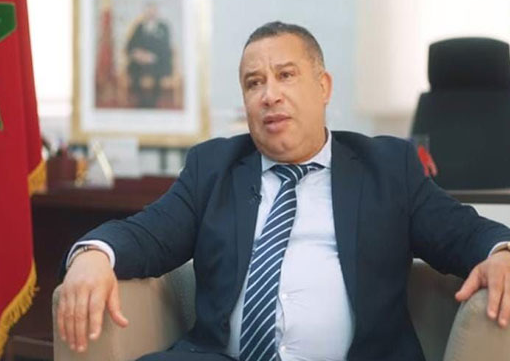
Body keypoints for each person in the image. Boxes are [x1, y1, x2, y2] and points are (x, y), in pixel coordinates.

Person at [57, 22, 510, 361]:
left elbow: (462, 232)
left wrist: (501, 253)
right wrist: (94, 255)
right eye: (254, 83)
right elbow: (148, 233)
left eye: (286, 75)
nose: (269, 95)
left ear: (323, 86)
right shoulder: (213, 168)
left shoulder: (388, 168)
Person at [125, 2, 173, 108]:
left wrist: (152, 56)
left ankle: (153, 103)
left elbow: (165, 46)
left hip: (158, 61)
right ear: (145, 13)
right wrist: (138, 54)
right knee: (134, 72)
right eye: (148, 11)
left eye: (153, 11)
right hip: (141, 62)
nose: (151, 14)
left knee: (158, 74)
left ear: (157, 13)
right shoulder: (139, 27)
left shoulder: (164, 27)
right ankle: (141, 102)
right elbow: (130, 45)